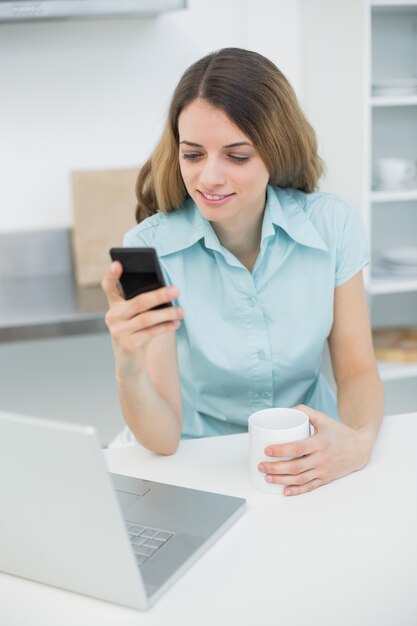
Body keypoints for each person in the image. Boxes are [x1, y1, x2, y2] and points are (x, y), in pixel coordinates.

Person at [101, 47, 384, 497]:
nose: (209, 177)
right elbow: (162, 437)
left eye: (237, 156)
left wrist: (357, 443)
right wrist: (127, 366)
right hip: (200, 465)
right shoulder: (150, 249)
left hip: (307, 458)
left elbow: (355, 369)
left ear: (276, 151)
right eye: (193, 155)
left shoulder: (333, 225)